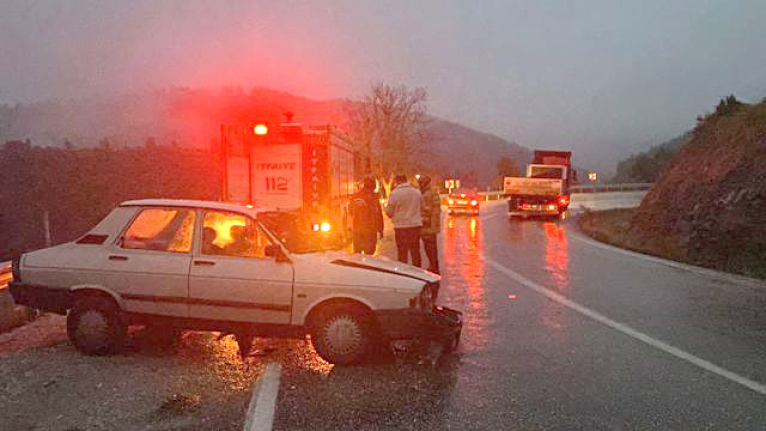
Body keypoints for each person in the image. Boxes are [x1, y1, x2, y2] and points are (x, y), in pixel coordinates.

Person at [385, 174, 422, 267]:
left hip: (401, 227)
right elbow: (422, 206)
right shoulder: (417, 192)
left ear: (397, 182)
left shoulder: (395, 194)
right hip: (415, 226)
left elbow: (389, 211)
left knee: (402, 252)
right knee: (415, 251)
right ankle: (417, 272)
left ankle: (405, 273)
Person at [349, 177, 384, 254]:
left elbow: (350, 211)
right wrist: (380, 229)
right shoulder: (373, 198)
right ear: (373, 186)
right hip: (370, 231)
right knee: (369, 255)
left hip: (357, 230)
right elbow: (378, 214)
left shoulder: (355, 196)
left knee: (357, 254)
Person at [418, 175, 441, 274]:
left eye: (422, 183)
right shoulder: (420, 192)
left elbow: (436, 209)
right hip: (423, 223)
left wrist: (427, 212)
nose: (420, 185)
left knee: (431, 247)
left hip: (430, 224)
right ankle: (432, 265)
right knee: (427, 247)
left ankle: (435, 266)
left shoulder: (432, 193)